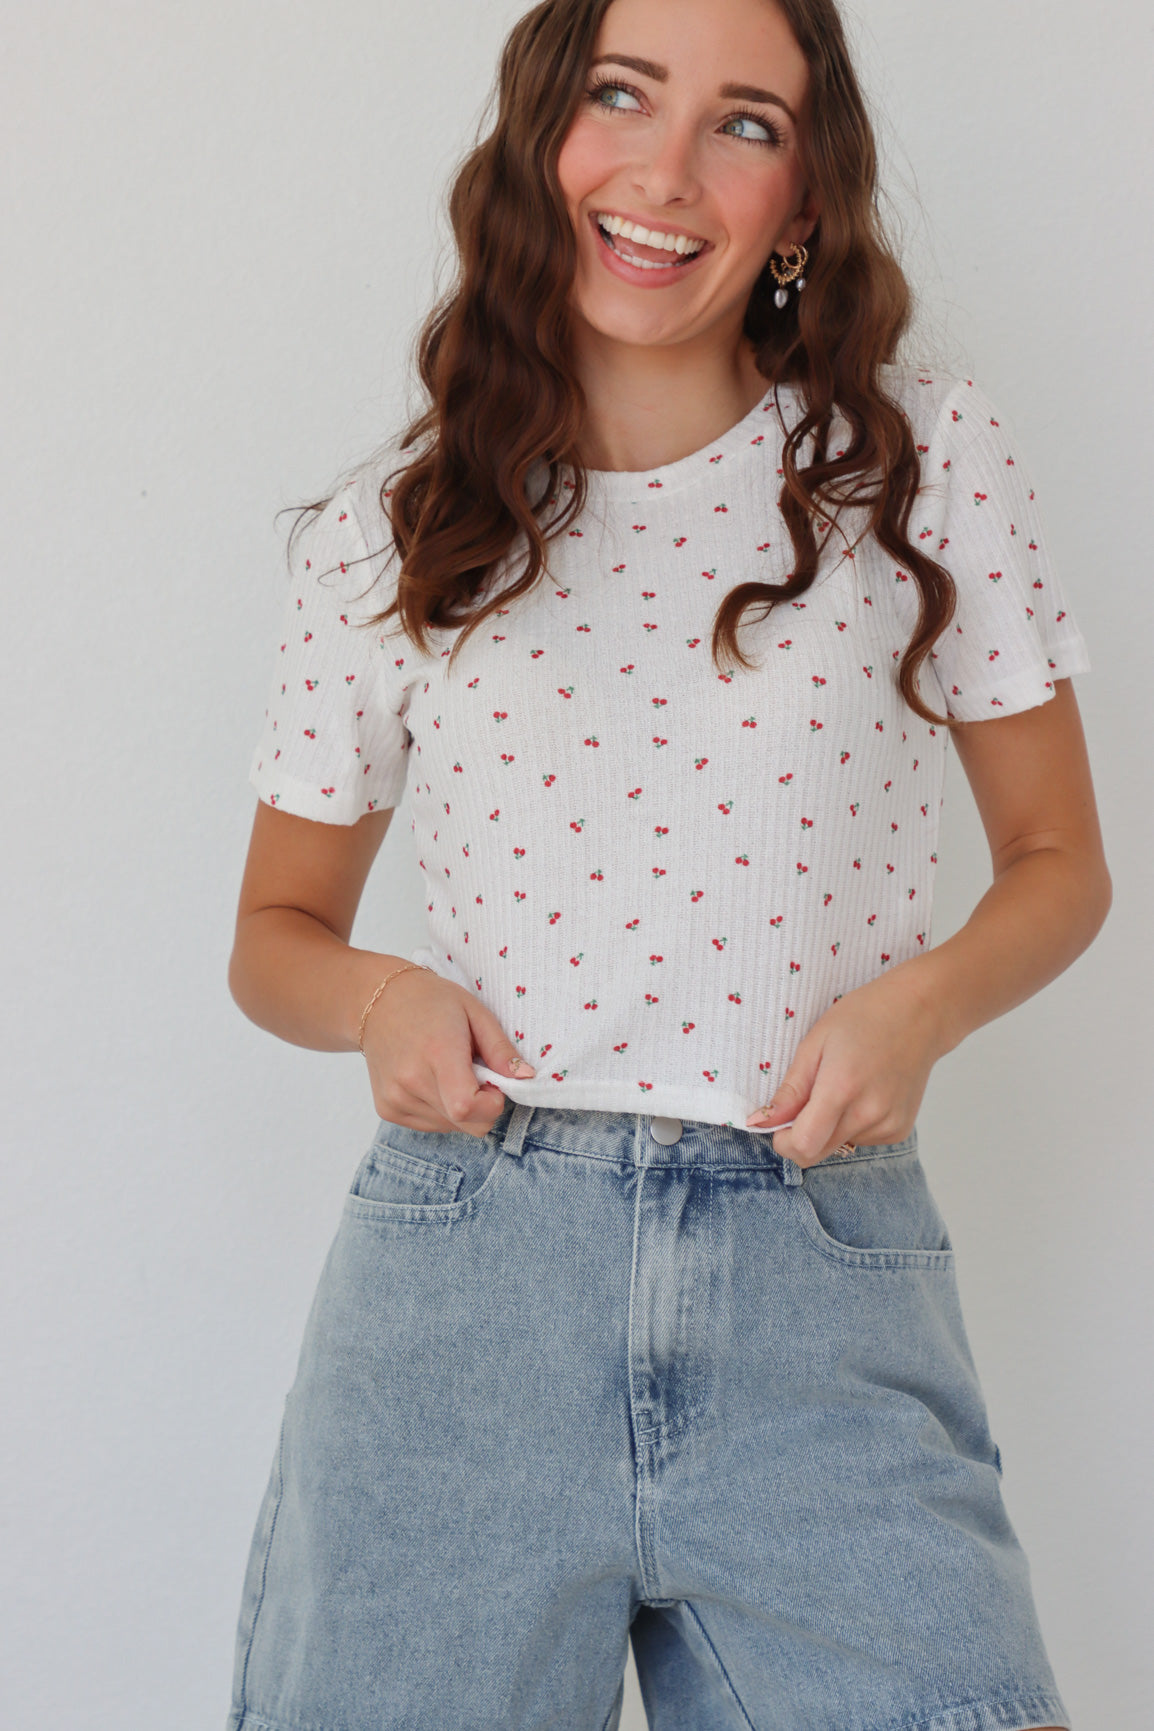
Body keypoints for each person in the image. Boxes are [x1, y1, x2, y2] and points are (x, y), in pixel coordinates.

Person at [224, 0, 1109, 1726]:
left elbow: (1059, 858)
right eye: (621, 96)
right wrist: (379, 999)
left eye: (746, 122)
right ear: (539, 131)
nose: (668, 170)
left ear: (803, 198)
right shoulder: (392, 537)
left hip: (819, 1281)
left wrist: (915, 1012)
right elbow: (274, 934)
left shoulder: (913, 470)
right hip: (464, 1290)